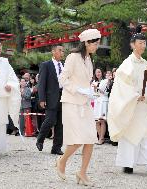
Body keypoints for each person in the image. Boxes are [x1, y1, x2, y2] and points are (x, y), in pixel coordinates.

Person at [108, 25, 147, 174]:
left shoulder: (145, 63)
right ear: (132, 45)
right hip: (131, 105)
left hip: (144, 106)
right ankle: (131, 163)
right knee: (132, 133)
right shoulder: (127, 64)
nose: (143, 45)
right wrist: (135, 95)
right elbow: (122, 85)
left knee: (145, 133)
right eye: (140, 43)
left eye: (144, 43)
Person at [55, 29, 101, 186]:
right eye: (95, 43)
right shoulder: (73, 57)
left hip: (85, 103)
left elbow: (85, 81)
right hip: (71, 102)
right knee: (76, 140)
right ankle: (62, 161)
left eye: (98, 43)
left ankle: (82, 173)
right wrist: (78, 89)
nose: (97, 46)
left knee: (90, 139)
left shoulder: (89, 59)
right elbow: (62, 79)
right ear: (86, 43)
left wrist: (89, 90)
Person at [36, 45, 64, 155]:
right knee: (50, 120)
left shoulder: (65, 65)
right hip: (51, 97)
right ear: (53, 52)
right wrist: (41, 99)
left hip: (64, 97)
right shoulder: (46, 65)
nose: (62, 53)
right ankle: (40, 139)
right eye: (60, 50)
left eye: (63, 51)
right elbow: (41, 83)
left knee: (61, 124)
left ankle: (56, 147)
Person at [92, 68, 109, 144]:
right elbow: (93, 93)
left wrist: (97, 88)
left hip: (103, 101)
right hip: (96, 101)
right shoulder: (93, 82)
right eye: (96, 72)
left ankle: (102, 138)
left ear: (102, 73)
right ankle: (99, 137)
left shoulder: (105, 81)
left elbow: (105, 93)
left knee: (102, 120)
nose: (98, 73)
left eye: (99, 72)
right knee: (96, 121)